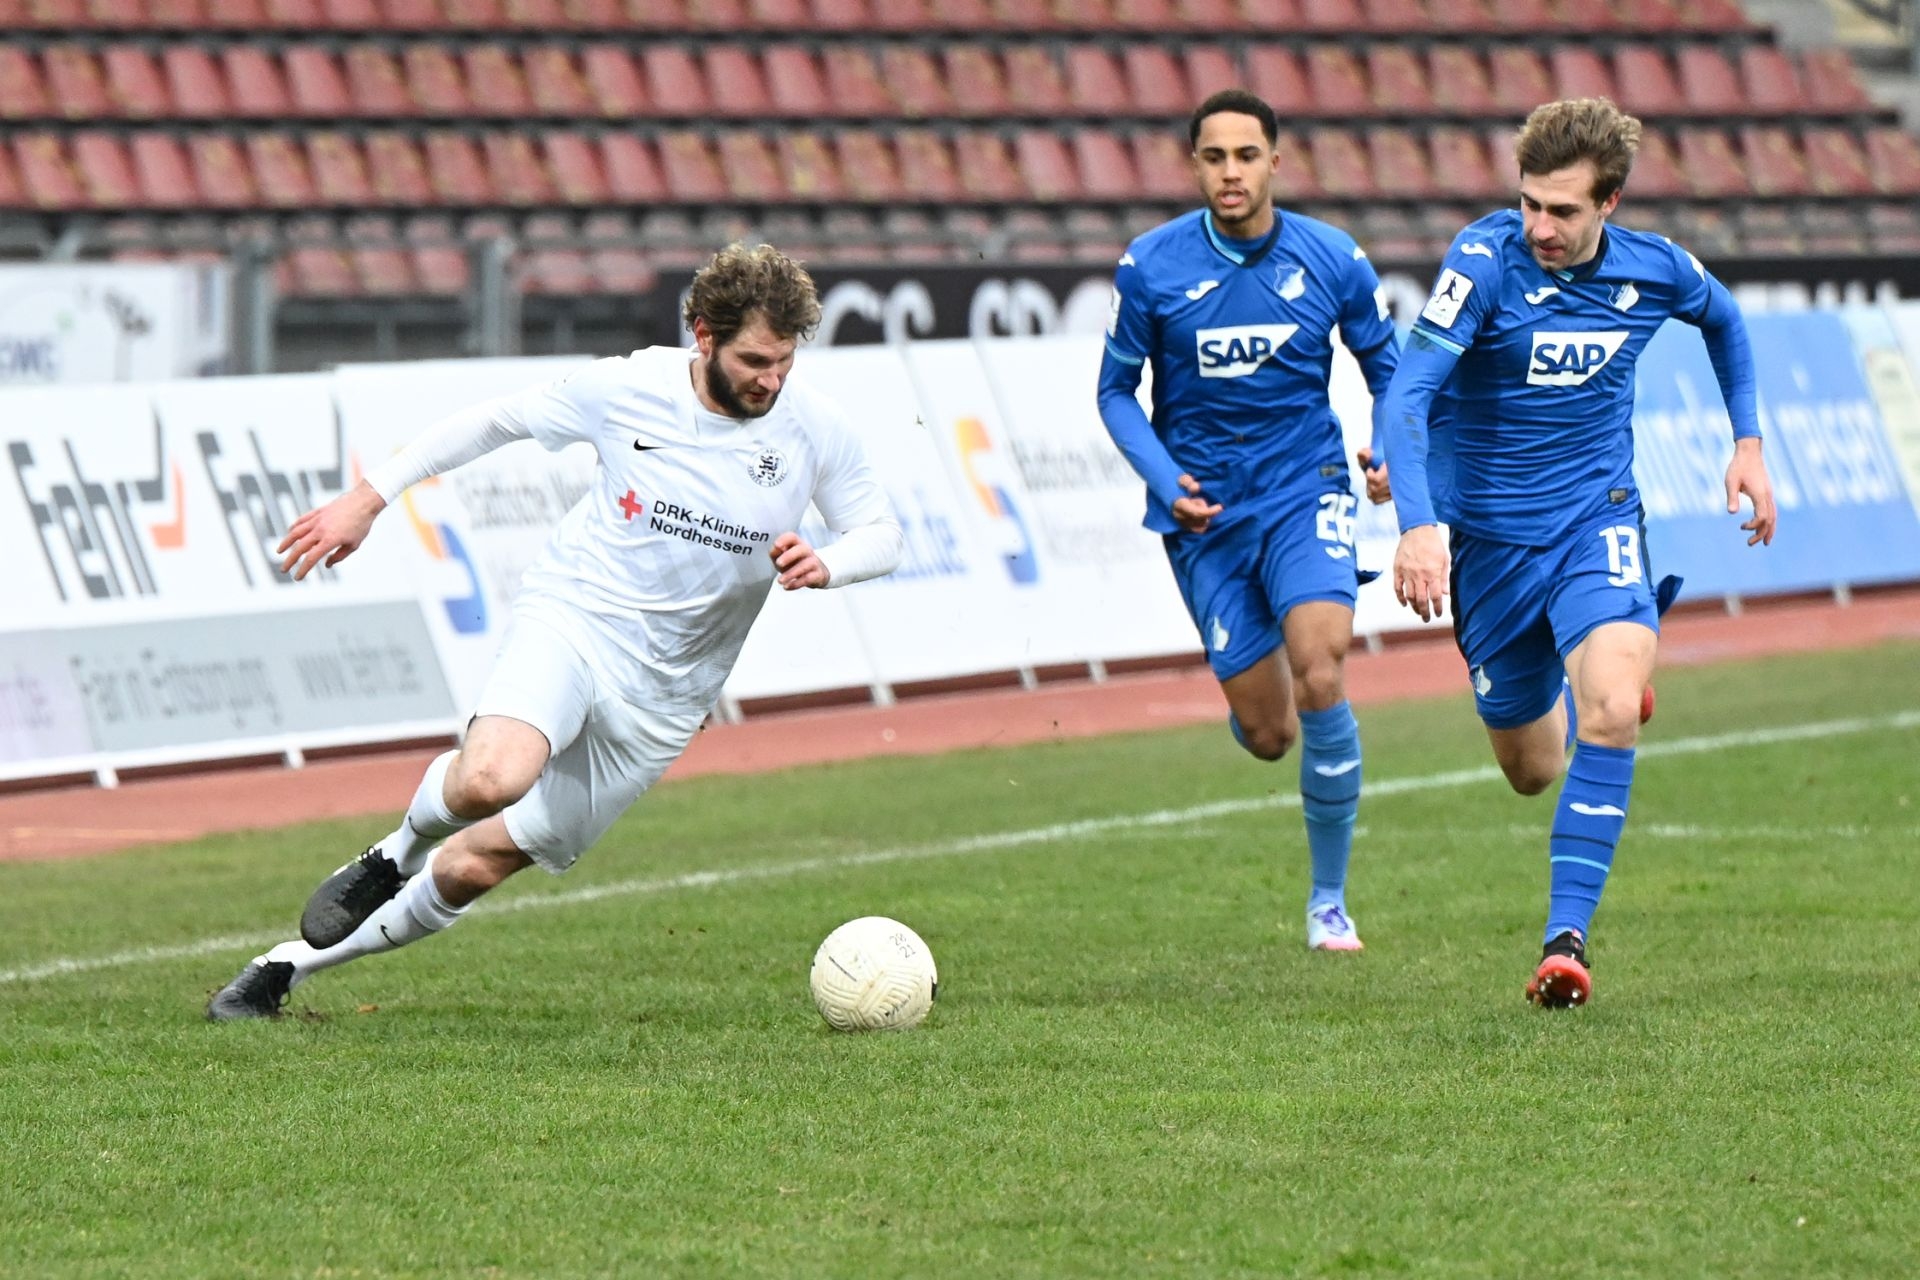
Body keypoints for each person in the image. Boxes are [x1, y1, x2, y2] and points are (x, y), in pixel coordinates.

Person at [208, 244, 904, 1019]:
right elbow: (494, 422)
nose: (770, 380)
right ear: (703, 334)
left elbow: (880, 532)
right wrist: (372, 496)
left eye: (783, 362)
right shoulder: (627, 386)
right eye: (753, 360)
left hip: (667, 699)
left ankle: (286, 968)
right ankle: (393, 853)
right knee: (487, 780)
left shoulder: (815, 428)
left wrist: (829, 563)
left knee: (476, 867)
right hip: (578, 618)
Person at [1376, 98, 1777, 1007]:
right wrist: (1417, 522)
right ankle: (1593, 670)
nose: (1539, 226)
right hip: (1491, 547)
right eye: (1529, 204)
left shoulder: (1654, 269)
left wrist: (1747, 442)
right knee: (1532, 770)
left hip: (1597, 522)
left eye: (1562, 210)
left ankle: (1567, 942)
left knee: (1610, 709)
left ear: (1612, 203)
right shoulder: (1482, 264)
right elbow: (1407, 398)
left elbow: (1725, 323)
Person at [1096, 89, 1401, 952]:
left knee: (1323, 668)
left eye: (1245, 155)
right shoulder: (1151, 267)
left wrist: (1386, 450)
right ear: (1195, 165)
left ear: (1276, 160)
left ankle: (1329, 902)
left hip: (1306, 488)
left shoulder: (1332, 258)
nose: (1231, 172)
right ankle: (1254, 685)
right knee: (1270, 734)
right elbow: (1115, 394)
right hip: (1207, 515)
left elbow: (1392, 369)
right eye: (1213, 157)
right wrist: (1165, 478)